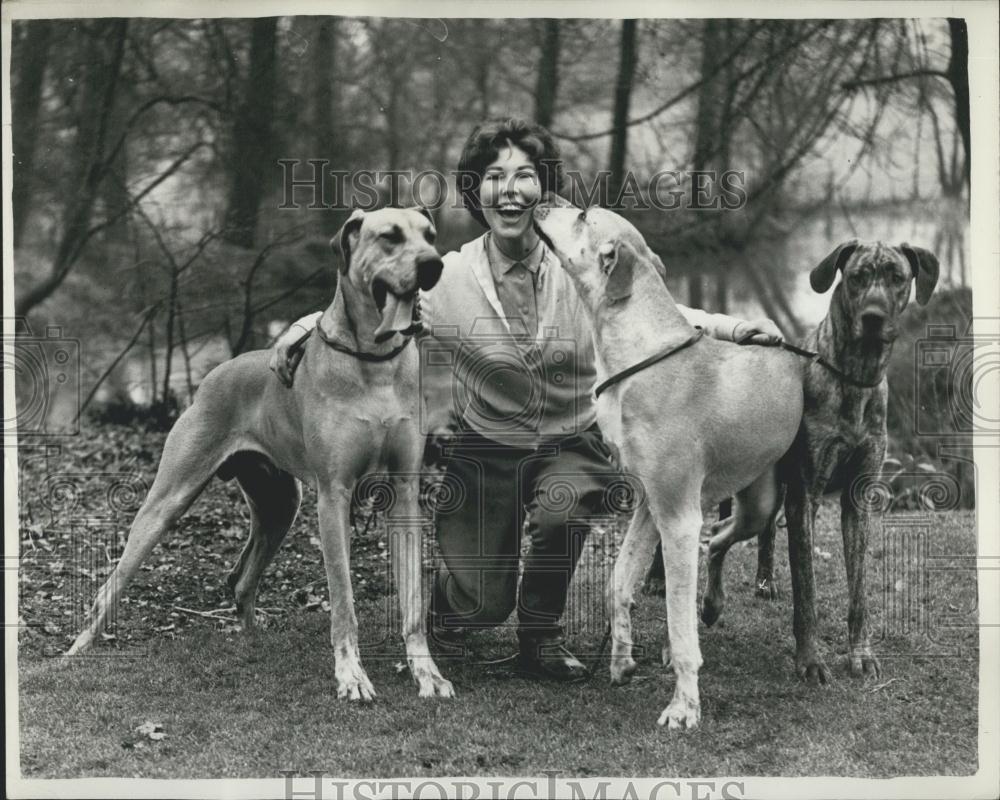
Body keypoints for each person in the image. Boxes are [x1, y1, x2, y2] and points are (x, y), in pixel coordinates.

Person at [270, 118, 782, 681]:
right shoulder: (448, 275)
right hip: (486, 450)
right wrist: (301, 328)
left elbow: (659, 313)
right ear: (476, 191)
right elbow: (367, 306)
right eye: (493, 177)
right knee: (482, 602)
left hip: (572, 442)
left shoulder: (580, 266)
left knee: (573, 494)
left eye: (525, 176)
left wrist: (735, 330)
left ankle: (542, 632)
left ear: (544, 190)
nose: (509, 190)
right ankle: (450, 611)